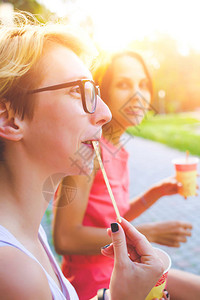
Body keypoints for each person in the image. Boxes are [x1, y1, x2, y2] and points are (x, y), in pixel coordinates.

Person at [0, 10, 167, 300]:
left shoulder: (29, 232)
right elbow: (67, 237)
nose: (105, 113)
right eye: (80, 91)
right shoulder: (15, 273)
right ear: (10, 119)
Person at [53, 51, 192, 299]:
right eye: (123, 84)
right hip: (95, 283)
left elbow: (116, 219)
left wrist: (156, 192)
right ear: (101, 93)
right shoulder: (87, 151)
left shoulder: (118, 149)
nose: (138, 95)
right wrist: (148, 233)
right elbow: (65, 238)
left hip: (122, 267)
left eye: (143, 85)